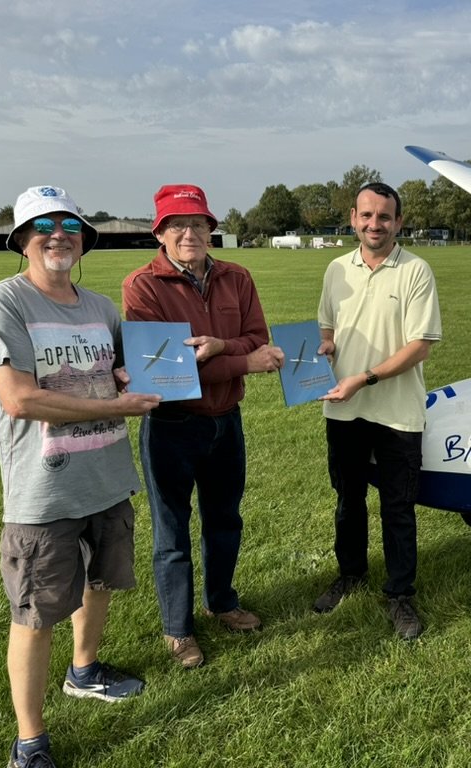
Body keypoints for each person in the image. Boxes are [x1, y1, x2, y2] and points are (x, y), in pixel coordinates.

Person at [0, 186, 162, 768]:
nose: (58, 234)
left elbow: (130, 372)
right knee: (34, 614)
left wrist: (178, 363)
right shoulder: (3, 301)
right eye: (43, 225)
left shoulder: (102, 308)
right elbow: (20, 400)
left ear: (83, 239)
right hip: (44, 490)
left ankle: (84, 671)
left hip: (105, 476)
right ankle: (29, 742)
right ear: (21, 240)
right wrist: (116, 407)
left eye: (70, 225)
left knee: (97, 584)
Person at [122, 184, 284, 669]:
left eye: (197, 223)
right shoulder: (143, 286)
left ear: (211, 229)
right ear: (160, 232)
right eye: (177, 224)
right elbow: (162, 372)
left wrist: (220, 348)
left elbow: (260, 339)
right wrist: (245, 362)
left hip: (226, 423)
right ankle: (178, 630)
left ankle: (222, 601)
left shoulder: (238, 277)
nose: (188, 232)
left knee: (225, 519)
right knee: (171, 531)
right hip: (171, 425)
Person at [314, 181, 442, 640]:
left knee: (398, 506)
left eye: (384, 217)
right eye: (366, 215)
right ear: (353, 218)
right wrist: (327, 344)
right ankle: (350, 575)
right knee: (349, 502)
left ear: (398, 222)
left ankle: (400, 594)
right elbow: (327, 324)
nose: (374, 224)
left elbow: (420, 346)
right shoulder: (335, 269)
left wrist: (364, 378)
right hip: (343, 411)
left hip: (396, 411)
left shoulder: (415, 271)